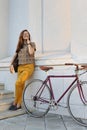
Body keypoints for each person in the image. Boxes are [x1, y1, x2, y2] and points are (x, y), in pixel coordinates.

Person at [9, 29, 36, 110]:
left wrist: (28, 43)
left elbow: (31, 53)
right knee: (20, 85)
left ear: (29, 36)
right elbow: (15, 55)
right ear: (22, 35)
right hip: (20, 67)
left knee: (17, 83)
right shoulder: (19, 46)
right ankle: (19, 104)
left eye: (27, 34)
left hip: (28, 67)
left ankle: (15, 102)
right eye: (24, 34)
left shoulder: (32, 44)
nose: (26, 35)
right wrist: (10, 64)